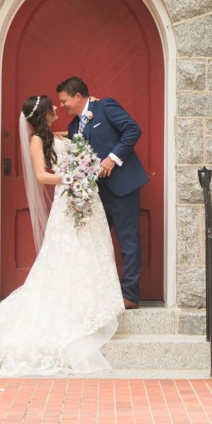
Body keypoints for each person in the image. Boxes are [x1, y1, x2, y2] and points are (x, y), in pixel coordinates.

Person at [0, 95, 123, 376]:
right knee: (65, 251)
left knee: (89, 247)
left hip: (85, 199)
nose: (57, 108)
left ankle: (93, 301)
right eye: (52, 106)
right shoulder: (36, 141)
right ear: (43, 113)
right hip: (68, 198)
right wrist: (73, 177)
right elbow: (42, 176)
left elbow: (78, 140)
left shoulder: (56, 134)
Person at [57, 76, 149, 310]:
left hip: (123, 187)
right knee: (95, 242)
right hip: (95, 193)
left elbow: (132, 130)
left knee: (128, 242)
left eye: (64, 100)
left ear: (79, 96)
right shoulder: (72, 126)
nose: (62, 105)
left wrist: (112, 159)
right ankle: (98, 292)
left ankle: (130, 295)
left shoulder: (105, 106)